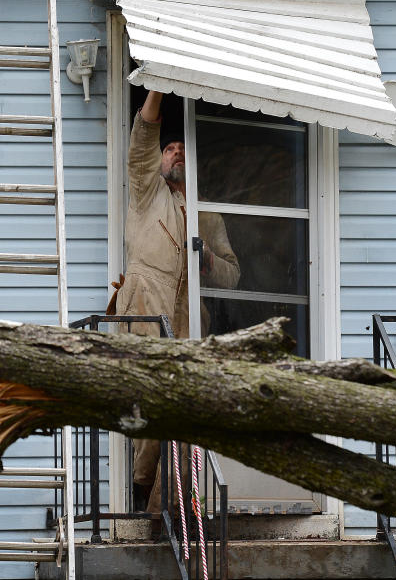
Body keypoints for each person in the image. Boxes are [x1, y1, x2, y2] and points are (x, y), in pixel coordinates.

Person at [113, 89, 240, 515]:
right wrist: (158, 85)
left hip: (190, 318)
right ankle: (141, 489)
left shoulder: (209, 214)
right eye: (169, 149)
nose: (175, 154)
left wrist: (205, 257)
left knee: (185, 409)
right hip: (148, 308)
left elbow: (233, 275)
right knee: (150, 403)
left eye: (183, 149)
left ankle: (178, 501)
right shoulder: (146, 193)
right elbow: (143, 135)